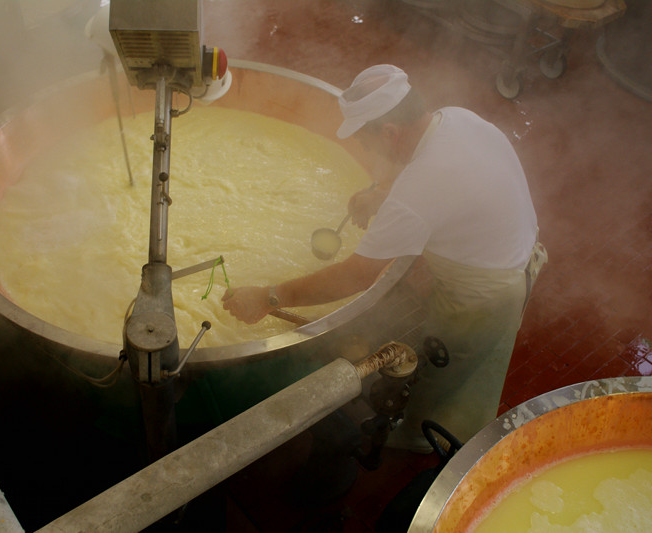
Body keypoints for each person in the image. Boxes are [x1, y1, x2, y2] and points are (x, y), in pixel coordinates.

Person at [221, 64, 546, 452]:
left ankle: (425, 447)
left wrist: (268, 296)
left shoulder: (419, 190)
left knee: (452, 378)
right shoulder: (454, 119)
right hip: (517, 251)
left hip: (483, 295)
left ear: (390, 131)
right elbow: (446, 185)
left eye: (366, 142)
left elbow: (356, 277)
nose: (367, 150)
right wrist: (382, 196)